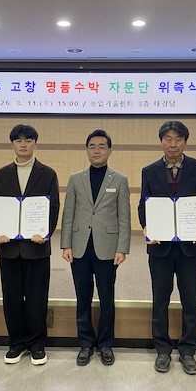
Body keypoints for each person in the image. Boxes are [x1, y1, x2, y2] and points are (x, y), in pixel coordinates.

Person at [137, 120, 196, 375]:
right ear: (161, 142)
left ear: (185, 142)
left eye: (178, 139)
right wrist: (146, 227)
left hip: (190, 246)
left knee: (190, 299)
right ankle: (162, 350)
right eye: (168, 139)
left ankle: (188, 350)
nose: (173, 144)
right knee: (160, 299)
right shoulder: (149, 171)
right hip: (160, 247)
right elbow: (144, 205)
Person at [0, 124, 60, 366]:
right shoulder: (1, 175)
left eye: (28, 140)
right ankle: (16, 343)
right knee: (11, 297)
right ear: (12, 144)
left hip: (36, 246)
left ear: (35, 144)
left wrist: (45, 232)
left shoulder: (47, 173)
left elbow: (53, 208)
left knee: (37, 297)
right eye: (18, 140)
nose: (23, 144)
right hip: (8, 247)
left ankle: (37, 344)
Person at [61, 130, 131, 366]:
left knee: (106, 297)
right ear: (87, 150)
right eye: (92, 146)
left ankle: (106, 344)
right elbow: (68, 213)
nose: (97, 150)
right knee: (83, 297)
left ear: (110, 150)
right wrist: (66, 244)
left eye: (102, 146)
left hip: (108, 248)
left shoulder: (119, 180)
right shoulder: (75, 179)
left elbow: (124, 217)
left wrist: (122, 248)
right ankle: (85, 343)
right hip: (79, 247)